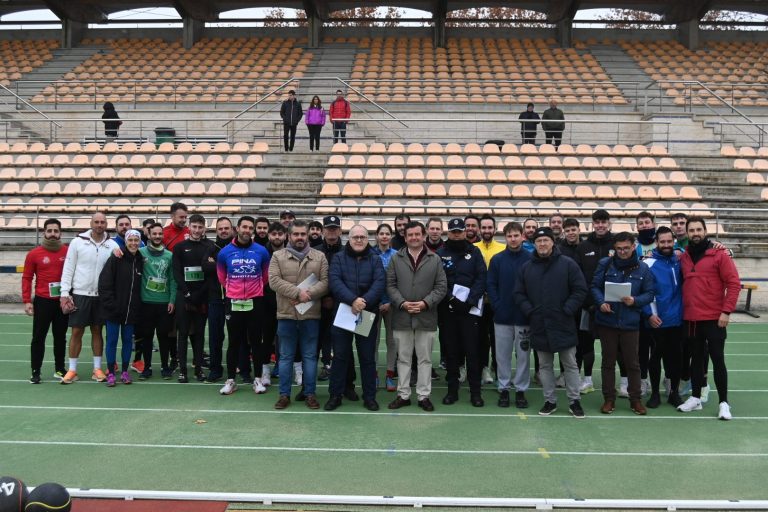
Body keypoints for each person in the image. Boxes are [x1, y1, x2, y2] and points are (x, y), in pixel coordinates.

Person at [514, 227, 588, 418]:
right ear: (534, 244)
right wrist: (530, 311)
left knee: (570, 364)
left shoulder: (568, 264)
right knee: (545, 366)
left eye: (546, 240)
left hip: (563, 322)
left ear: (553, 242)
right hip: (539, 323)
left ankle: (574, 401)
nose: (542, 244)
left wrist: (568, 309)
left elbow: (580, 290)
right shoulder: (527, 267)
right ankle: (550, 401)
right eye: (539, 241)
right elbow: (519, 293)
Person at [677, 217, 740, 420]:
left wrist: (726, 311)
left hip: (714, 318)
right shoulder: (684, 257)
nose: (695, 233)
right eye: (692, 230)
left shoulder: (720, 254)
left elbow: (734, 283)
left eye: (699, 229)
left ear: (705, 231)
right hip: (692, 319)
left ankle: (724, 403)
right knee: (696, 361)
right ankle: (695, 398)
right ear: (687, 233)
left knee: (718, 360)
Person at [591, 232, 655, 416]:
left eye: (626, 248)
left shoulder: (643, 268)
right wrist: (601, 302)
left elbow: (650, 293)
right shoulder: (605, 264)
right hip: (607, 321)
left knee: (633, 363)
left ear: (633, 246)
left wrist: (634, 300)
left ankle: (635, 400)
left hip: (630, 322)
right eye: (619, 249)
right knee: (608, 361)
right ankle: (608, 399)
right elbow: (594, 286)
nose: (623, 252)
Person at [386, 221, 447, 411]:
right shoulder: (396, 258)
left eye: (417, 234)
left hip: (426, 316)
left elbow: (441, 286)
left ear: (423, 235)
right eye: (410, 234)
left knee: (425, 359)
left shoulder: (434, 259)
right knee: (403, 358)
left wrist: (425, 303)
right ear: (405, 237)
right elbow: (390, 284)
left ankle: (423, 396)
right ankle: (403, 395)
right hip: (402, 316)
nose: (414, 237)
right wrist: (402, 303)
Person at [269, 220, 329, 410]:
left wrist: (308, 294)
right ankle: (284, 395)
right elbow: (274, 281)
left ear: (308, 234)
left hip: (310, 315)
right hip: (286, 315)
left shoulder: (319, 256)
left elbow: (326, 281)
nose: (300, 237)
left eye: (303, 234)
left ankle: (310, 394)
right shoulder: (277, 256)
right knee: (285, 357)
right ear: (289, 235)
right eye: (296, 234)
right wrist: (297, 293)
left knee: (310, 357)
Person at [325, 225, 386, 411]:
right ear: (348, 239)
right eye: (355, 237)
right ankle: (336, 395)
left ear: (368, 239)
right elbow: (334, 281)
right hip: (344, 312)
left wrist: (363, 301)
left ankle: (369, 397)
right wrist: (352, 300)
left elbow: (379, 282)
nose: (359, 240)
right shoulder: (338, 258)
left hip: (366, 314)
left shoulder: (375, 259)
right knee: (340, 356)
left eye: (362, 237)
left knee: (367, 358)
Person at [59, 212, 119, 384]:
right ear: (91, 223)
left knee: (97, 331)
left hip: (101, 297)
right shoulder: (77, 242)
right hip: (80, 294)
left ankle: (97, 369)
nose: (100, 225)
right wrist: (65, 293)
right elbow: (68, 268)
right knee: (77, 331)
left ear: (106, 224)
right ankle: (72, 370)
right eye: (96, 222)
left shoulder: (113, 245)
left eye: (103, 222)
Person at [217, 216, 271, 396]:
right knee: (234, 342)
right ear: (237, 228)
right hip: (233, 302)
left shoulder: (261, 251)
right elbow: (221, 277)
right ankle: (231, 380)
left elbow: (265, 276)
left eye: (250, 228)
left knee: (256, 342)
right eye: (244, 227)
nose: (247, 230)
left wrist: (252, 291)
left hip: (255, 302)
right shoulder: (225, 252)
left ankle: (257, 379)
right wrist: (236, 291)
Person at [437, 218, 487, 407]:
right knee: (451, 352)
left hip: (470, 311)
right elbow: (439, 281)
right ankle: (452, 391)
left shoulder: (474, 252)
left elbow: (481, 277)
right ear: (448, 233)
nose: (457, 234)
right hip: (448, 311)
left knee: (472, 352)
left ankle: (475, 392)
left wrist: (470, 301)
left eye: (460, 231)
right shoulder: (440, 254)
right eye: (453, 231)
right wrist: (451, 299)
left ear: (466, 232)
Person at [488, 222, 532, 408]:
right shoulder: (497, 260)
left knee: (523, 355)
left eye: (516, 235)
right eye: (509, 236)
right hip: (502, 317)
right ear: (505, 237)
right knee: (502, 355)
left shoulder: (531, 258)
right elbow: (491, 285)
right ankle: (504, 387)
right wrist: (498, 306)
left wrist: (529, 308)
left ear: (522, 236)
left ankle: (521, 389)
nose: (513, 239)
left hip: (524, 317)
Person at [642, 227, 684, 409]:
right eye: (662, 242)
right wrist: (649, 314)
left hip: (678, 319)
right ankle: (655, 394)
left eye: (669, 241)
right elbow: (642, 292)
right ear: (656, 243)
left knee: (676, 358)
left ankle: (674, 392)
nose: (666, 245)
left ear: (673, 241)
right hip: (657, 320)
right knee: (655, 357)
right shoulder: (648, 264)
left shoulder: (679, 261)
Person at [22, 218, 69, 383]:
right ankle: (36, 371)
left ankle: (60, 369)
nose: (53, 234)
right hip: (43, 302)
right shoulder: (34, 254)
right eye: (49, 231)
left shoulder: (68, 251)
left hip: (62, 302)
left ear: (60, 233)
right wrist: (27, 300)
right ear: (44, 233)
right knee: (38, 337)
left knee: (60, 337)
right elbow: (27, 278)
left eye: (56, 231)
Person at [574, 209, 614, 394]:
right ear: (592, 224)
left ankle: (622, 382)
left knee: (615, 346)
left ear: (609, 223)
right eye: (597, 221)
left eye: (603, 221)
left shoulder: (617, 244)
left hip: (614, 305)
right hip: (588, 306)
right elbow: (578, 276)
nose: (600, 225)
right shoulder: (583, 247)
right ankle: (588, 379)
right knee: (585, 344)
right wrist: (587, 300)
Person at [98, 229, 144, 387]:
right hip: (114, 311)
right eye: (130, 240)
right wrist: (111, 305)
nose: (133, 243)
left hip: (131, 311)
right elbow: (104, 284)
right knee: (111, 341)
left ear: (140, 242)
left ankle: (125, 371)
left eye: (136, 240)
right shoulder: (116, 258)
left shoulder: (141, 260)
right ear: (125, 241)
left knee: (126, 342)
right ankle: (111, 373)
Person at [172, 214, 214, 383]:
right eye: (194, 227)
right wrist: (187, 293)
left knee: (199, 334)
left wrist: (199, 294)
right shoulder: (180, 247)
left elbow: (211, 274)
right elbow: (176, 272)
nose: (197, 230)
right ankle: (183, 370)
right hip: (184, 296)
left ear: (204, 228)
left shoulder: (210, 247)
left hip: (202, 297)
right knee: (182, 333)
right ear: (189, 227)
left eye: (200, 227)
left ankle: (198, 369)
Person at [136, 222, 176, 380]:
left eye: (160, 234)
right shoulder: (140, 252)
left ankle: (165, 367)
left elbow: (173, 280)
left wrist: (172, 300)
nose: (158, 236)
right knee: (146, 336)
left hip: (164, 303)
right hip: (146, 303)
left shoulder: (169, 255)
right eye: (155, 234)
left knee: (163, 336)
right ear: (149, 235)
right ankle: (147, 367)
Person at [201, 217, 234, 383]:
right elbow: (204, 266)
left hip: (234, 298)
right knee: (215, 336)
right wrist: (225, 264)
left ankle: (238, 368)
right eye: (220, 228)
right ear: (216, 230)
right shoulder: (211, 247)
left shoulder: (238, 246)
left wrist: (218, 263)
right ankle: (215, 369)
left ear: (232, 229)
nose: (223, 231)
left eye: (226, 228)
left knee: (237, 336)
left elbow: (236, 266)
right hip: (215, 299)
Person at [475, 213, 505, 385]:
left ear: (495, 229)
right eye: (484, 227)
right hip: (478, 302)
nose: (487, 230)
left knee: (498, 337)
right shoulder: (473, 248)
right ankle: (484, 367)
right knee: (481, 337)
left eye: (489, 227)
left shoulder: (502, 248)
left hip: (497, 302)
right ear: (479, 230)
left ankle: (497, 366)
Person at [371, 223, 398, 392]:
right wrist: (377, 301)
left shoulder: (397, 255)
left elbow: (399, 280)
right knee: (372, 341)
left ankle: (389, 375)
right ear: (377, 236)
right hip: (373, 303)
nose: (384, 236)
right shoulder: (369, 254)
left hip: (392, 304)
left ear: (391, 236)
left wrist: (390, 301)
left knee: (392, 341)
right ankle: (372, 375)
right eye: (381, 233)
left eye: (387, 233)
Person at [317, 215, 343, 384]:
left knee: (340, 337)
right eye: (329, 229)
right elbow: (313, 277)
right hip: (319, 302)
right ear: (323, 231)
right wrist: (325, 296)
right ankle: (326, 364)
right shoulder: (316, 250)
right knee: (321, 336)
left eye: (335, 228)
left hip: (341, 302)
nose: (332, 232)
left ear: (340, 231)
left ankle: (340, 369)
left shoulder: (347, 250)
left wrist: (334, 298)